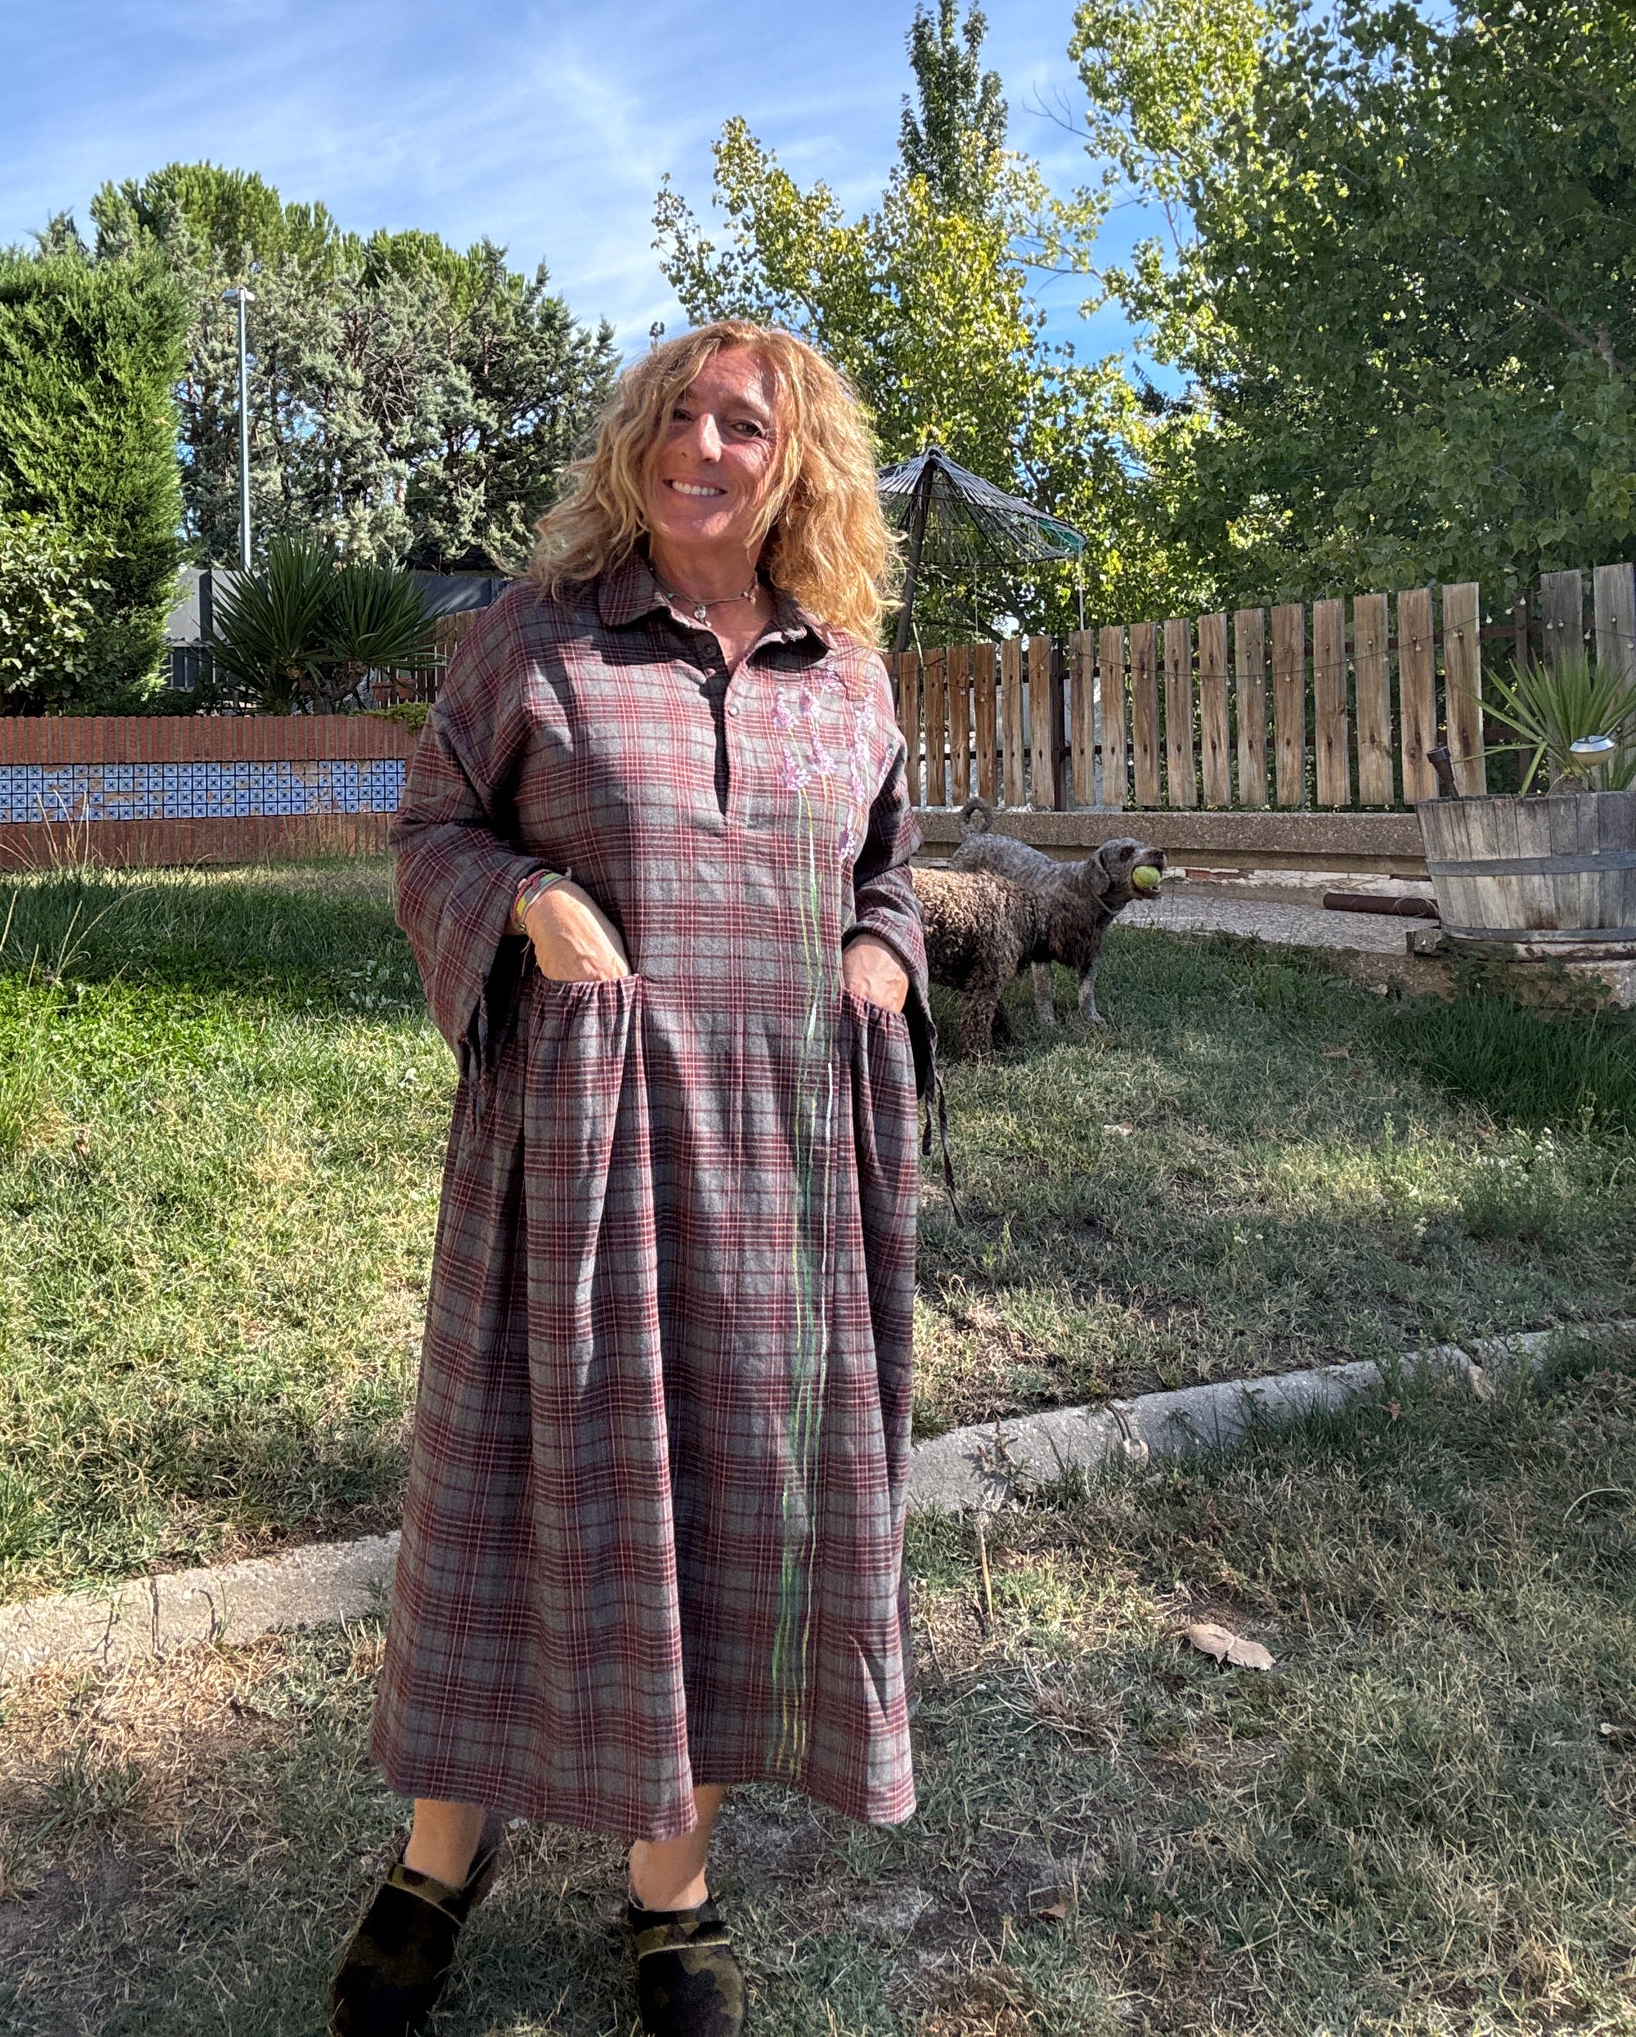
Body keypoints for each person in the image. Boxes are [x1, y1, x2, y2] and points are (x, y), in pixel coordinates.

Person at [328, 322, 930, 2037]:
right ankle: (439, 1857)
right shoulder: (536, 638)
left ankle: (671, 1890)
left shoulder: (847, 672)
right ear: (631, 443)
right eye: (676, 414)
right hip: (581, 1153)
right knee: (524, 1493)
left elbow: (889, 869)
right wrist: (526, 900)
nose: (702, 445)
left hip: (786, 1169)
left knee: (739, 1500)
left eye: (742, 422)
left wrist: (879, 955)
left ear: (795, 461)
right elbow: (431, 829)